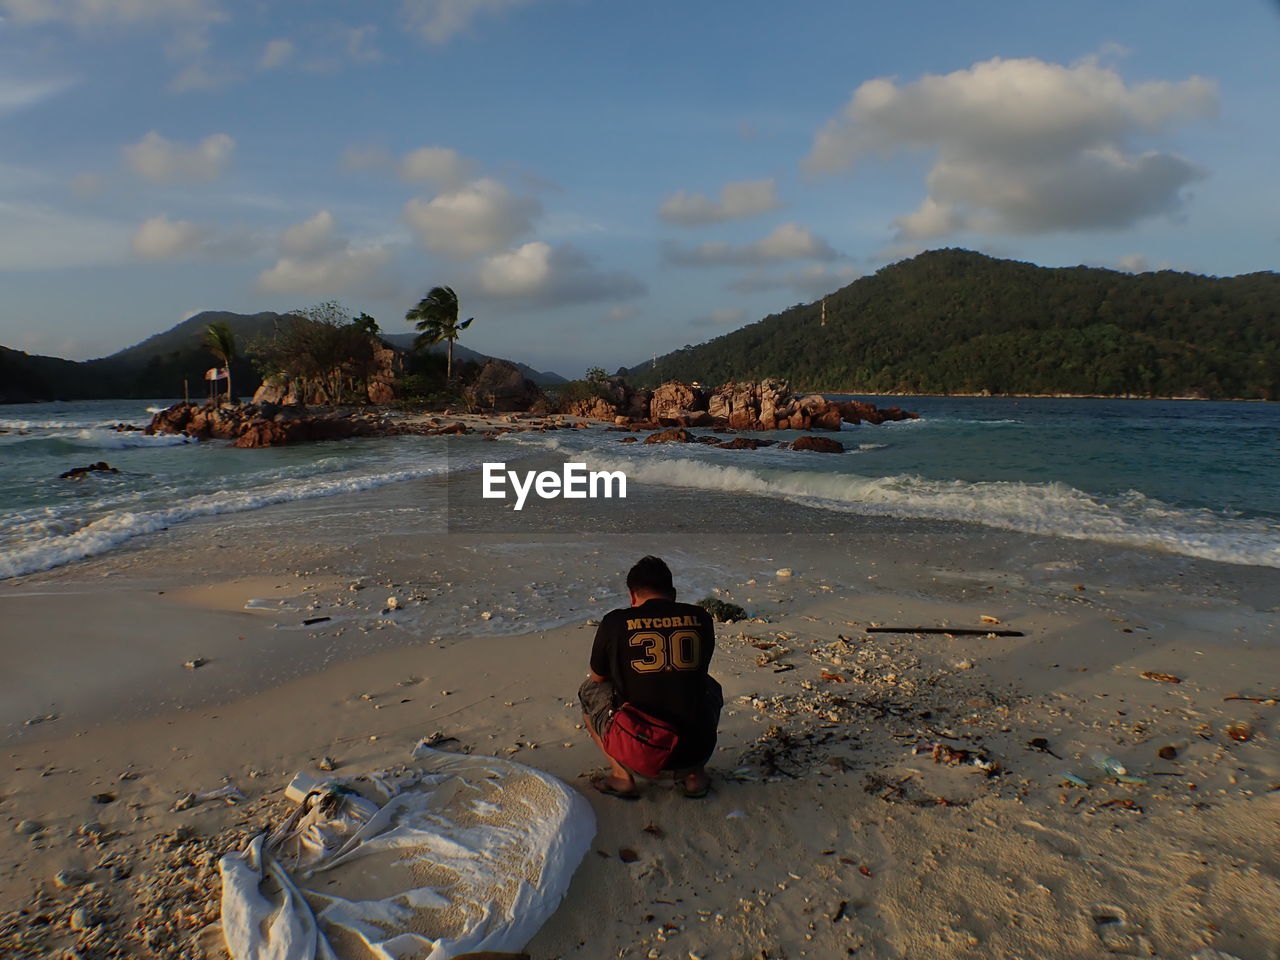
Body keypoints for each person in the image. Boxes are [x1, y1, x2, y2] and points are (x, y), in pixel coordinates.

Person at [578, 556, 723, 800]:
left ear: (632, 595)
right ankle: (694, 776)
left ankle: (621, 775)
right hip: (695, 751)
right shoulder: (701, 618)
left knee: (588, 690)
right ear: (673, 594)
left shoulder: (615, 621)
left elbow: (598, 676)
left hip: (640, 754)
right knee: (707, 685)